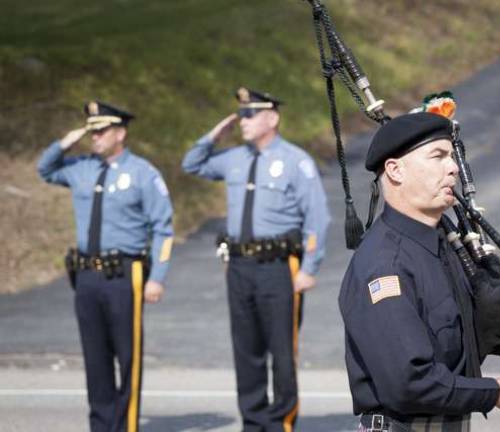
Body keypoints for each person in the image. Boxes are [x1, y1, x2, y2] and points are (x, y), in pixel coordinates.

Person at [338, 112, 500, 431]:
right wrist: (495, 392)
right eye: (438, 156)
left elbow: (465, 317)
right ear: (395, 170)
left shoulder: (442, 247)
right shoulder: (385, 265)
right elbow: (409, 383)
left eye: (451, 156)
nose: (453, 167)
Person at [182, 87, 331, 432]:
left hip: (279, 266)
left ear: (272, 118)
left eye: (250, 114)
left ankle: (280, 423)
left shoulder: (296, 161)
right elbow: (192, 163)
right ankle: (254, 421)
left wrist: (310, 267)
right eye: (241, 115)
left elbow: (318, 218)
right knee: (246, 349)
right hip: (238, 266)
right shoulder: (234, 157)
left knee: (281, 350)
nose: (243, 121)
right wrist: (214, 135)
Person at [37, 101, 174, 432]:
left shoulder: (143, 172)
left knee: (127, 356)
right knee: (95, 358)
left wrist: (157, 276)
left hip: (125, 274)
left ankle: (126, 426)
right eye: (91, 131)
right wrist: (69, 140)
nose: (94, 137)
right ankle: (101, 426)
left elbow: (164, 228)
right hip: (86, 276)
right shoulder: (81, 167)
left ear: (120, 133)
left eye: (101, 131)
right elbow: (45, 168)